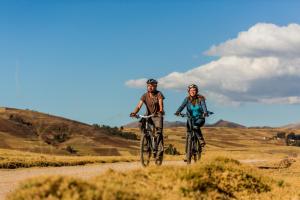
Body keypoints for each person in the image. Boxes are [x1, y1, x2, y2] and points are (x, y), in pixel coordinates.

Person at [130, 79, 165, 151]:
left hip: (157, 115)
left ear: (155, 86)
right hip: (148, 115)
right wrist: (134, 113)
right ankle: (146, 139)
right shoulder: (145, 95)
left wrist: (161, 110)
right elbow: (139, 106)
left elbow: (160, 103)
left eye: (152, 86)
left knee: (159, 131)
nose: (150, 87)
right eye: (148, 86)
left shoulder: (159, 94)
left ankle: (157, 147)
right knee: (140, 124)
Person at [175, 84, 208, 149]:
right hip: (190, 118)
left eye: (194, 90)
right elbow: (182, 106)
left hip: (200, 118)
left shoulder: (200, 99)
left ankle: (201, 140)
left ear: (197, 91)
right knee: (189, 131)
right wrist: (178, 112)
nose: (192, 92)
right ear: (189, 91)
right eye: (191, 90)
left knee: (195, 127)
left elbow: (204, 106)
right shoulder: (187, 99)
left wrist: (205, 112)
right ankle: (188, 152)